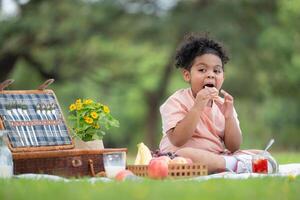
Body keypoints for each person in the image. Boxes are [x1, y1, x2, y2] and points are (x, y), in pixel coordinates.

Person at [159, 33, 277, 174]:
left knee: (258, 153)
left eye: (217, 71)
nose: (210, 75)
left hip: (215, 157)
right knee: (187, 155)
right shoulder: (176, 101)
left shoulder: (223, 105)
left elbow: (234, 146)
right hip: (180, 158)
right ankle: (238, 165)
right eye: (202, 70)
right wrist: (197, 107)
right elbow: (177, 140)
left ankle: (237, 164)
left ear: (223, 77)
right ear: (187, 75)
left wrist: (229, 117)